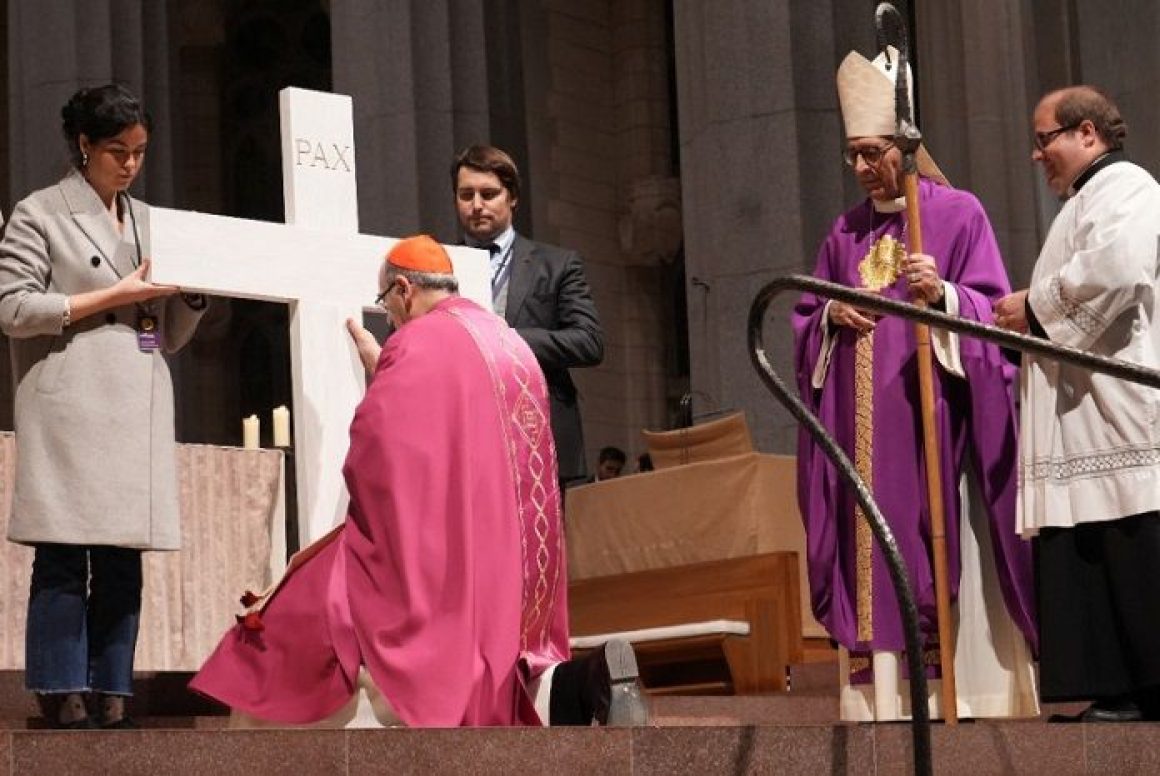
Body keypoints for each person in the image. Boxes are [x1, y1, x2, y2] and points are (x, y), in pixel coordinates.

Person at [190, 235, 647, 728]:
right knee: (511, 663)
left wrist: (383, 374)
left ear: (404, 289)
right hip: (512, 566)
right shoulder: (506, 339)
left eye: (386, 303)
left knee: (296, 610)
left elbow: (375, 462)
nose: (389, 317)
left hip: (440, 562)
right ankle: (583, 682)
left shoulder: (415, 341)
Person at [791, 48, 1038, 721]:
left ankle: (941, 694)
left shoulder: (957, 214)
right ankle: (878, 700)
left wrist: (949, 297)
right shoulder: (844, 232)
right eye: (852, 155)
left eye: (873, 152)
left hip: (933, 425)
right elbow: (804, 313)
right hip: (858, 434)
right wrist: (830, 317)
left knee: (927, 542)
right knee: (866, 544)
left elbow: (1000, 317)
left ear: (904, 145)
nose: (863, 168)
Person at [0, 84, 207, 729]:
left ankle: (112, 683)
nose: (130, 165)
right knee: (65, 548)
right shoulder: (40, 213)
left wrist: (192, 302)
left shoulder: (148, 219)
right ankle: (61, 686)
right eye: (117, 151)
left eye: (140, 152)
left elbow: (159, 332)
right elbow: (12, 310)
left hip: (136, 391)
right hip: (69, 397)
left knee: (121, 551)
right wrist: (108, 295)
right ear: (84, 146)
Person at [994, 86, 1160, 723]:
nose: (1038, 155)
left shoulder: (1127, 187)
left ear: (1086, 133)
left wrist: (1033, 306)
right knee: (1093, 544)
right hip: (1086, 412)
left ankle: (1146, 688)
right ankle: (1120, 687)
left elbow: (1118, 271)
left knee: (1129, 540)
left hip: (1118, 406)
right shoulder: (1085, 201)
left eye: (1045, 140)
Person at [451, 145, 603, 489]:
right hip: (465, 437)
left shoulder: (557, 264)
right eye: (466, 195)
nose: (476, 205)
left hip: (540, 432)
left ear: (513, 197)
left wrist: (510, 338)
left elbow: (590, 342)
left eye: (489, 194)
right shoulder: (439, 267)